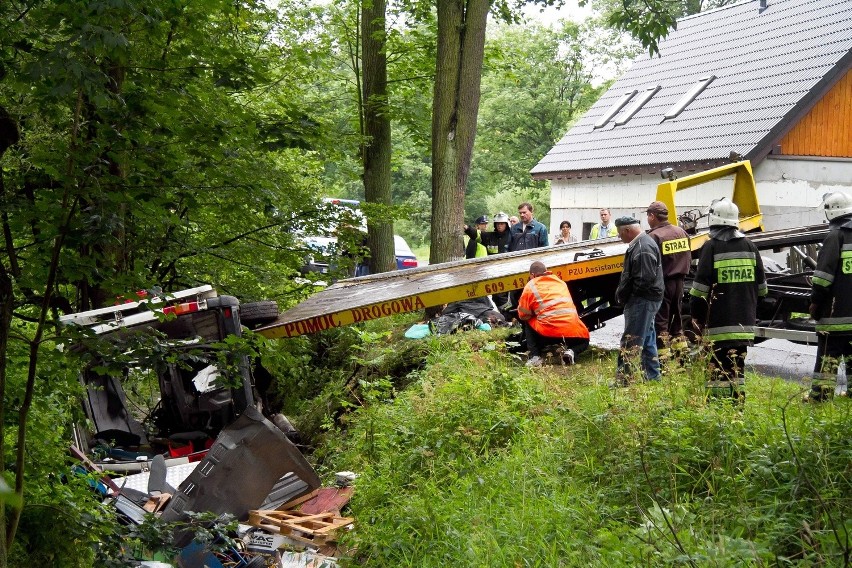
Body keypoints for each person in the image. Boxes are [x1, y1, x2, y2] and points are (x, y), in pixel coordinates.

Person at [689, 198, 767, 401]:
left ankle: (717, 405)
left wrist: (696, 317)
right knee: (737, 367)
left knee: (716, 367)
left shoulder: (711, 247)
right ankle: (737, 404)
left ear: (714, 220)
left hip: (717, 324)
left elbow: (699, 291)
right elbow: (762, 290)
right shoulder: (750, 247)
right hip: (744, 325)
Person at [806, 191, 852, 401]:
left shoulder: (835, 236)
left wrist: (815, 303)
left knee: (827, 362)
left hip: (835, 320)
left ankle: (820, 399)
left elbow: (822, 278)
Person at [614, 216, 664, 383]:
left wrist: (629, 296)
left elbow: (644, 279)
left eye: (620, 234)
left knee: (631, 339)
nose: (619, 237)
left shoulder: (642, 247)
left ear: (627, 230)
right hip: (645, 299)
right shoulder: (641, 243)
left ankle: (623, 378)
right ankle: (652, 376)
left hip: (642, 300)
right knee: (648, 338)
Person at [517, 261, 590, 367]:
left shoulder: (530, 286)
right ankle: (571, 351)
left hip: (547, 332)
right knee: (584, 340)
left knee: (528, 320)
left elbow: (522, 315)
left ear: (532, 275)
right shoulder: (560, 282)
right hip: (570, 330)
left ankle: (535, 357)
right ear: (546, 272)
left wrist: (535, 313)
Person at [645, 201, 691, 365]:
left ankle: (663, 364)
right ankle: (682, 362)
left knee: (661, 323)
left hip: (662, 284)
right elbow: (688, 258)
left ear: (652, 216)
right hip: (680, 283)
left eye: (648, 216)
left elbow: (650, 266)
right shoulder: (681, 232)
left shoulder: (654, 237)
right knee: (677, 321)